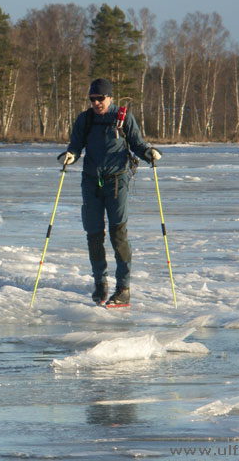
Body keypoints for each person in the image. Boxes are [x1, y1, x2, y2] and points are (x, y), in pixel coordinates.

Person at [57, 78, 161, 307]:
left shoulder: (123, 118)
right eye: (92, 99)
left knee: (118, 234)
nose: (96, 103)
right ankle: (100, 284)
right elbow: (75, 145)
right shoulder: (85, 120)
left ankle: (123, 289)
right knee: (94, 235)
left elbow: (138, 144)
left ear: (110, 98)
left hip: (117, 182)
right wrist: (70, 156)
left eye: (100, 99)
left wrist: (150, 153)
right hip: (91, 182)